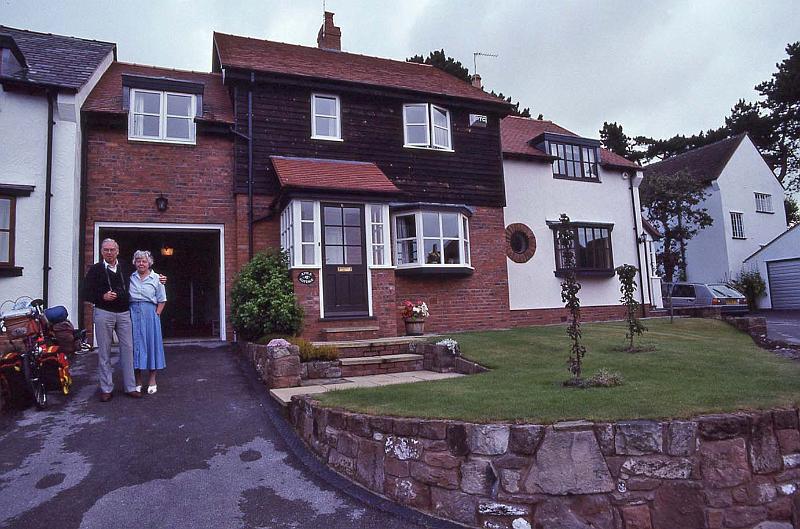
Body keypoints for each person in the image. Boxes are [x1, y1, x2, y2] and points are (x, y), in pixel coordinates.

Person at [83, 238, 166, 402]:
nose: (109, 252)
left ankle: (130, 387)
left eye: (112, 249)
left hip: (124, 314)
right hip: (103, 313)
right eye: (106, 250)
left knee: (128, 350)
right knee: (104, 352)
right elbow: (85, 292)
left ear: (117, 251)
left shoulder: (125, 267)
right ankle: (106, 388)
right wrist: (102, 296)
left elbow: (145, 272)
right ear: (101, 252)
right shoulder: (95, 270)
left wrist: (161, 278)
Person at [129, 250, 167, 395]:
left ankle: (152, 380)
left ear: (149, 263)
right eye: (138, 260)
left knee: (152, 346)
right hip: (133, 314)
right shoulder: (130, 277)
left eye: (144, 261)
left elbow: (162, 299)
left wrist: (156, 314)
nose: (141, 263)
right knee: (135, 347)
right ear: (135, 263)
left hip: (150, 314)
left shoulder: (157, 278)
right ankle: (137, 381)